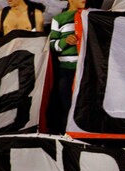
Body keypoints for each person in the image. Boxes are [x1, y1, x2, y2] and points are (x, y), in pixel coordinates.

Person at [49, 0, 86, 134]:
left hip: (86, 70)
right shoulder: (59, 19)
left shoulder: (89, 16)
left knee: (85, 105)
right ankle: (66, 135)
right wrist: (65, 41)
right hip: (66, 70)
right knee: (67, 104)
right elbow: (52, 45)